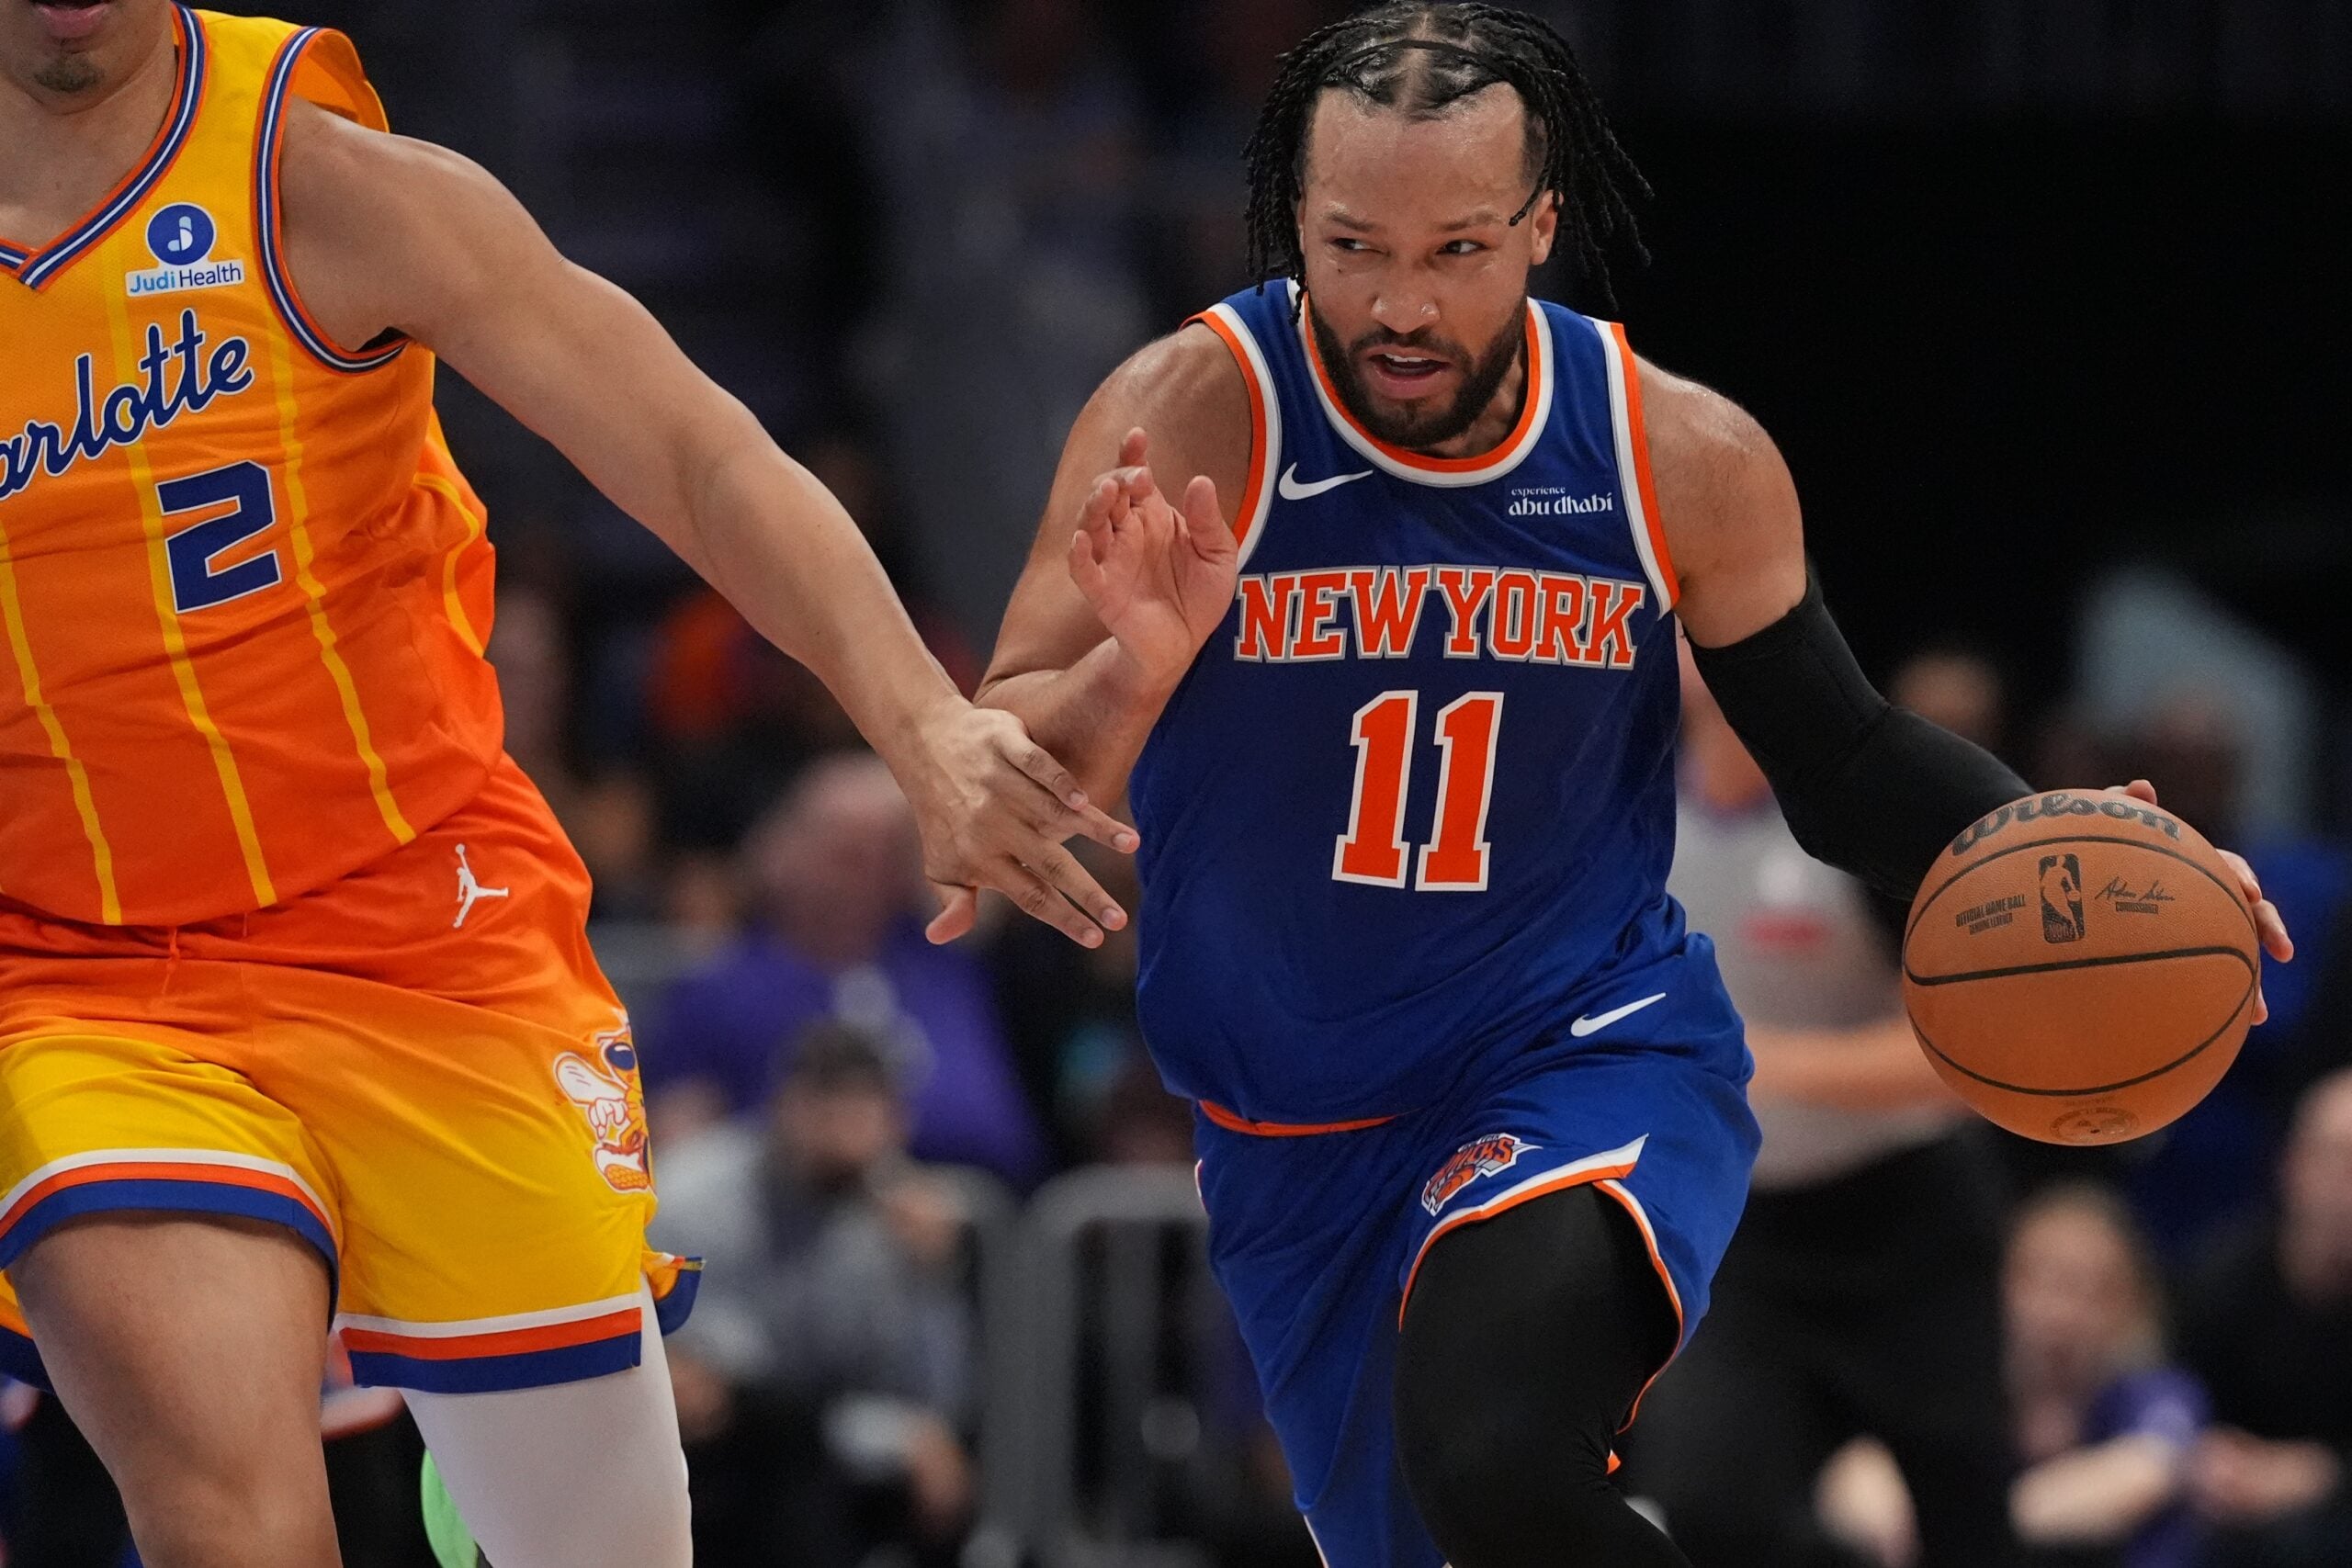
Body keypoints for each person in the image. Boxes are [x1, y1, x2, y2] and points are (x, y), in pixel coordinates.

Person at [975, 6, 2291, 1564]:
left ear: (1541, 224)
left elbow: (1843, 756)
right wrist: (1138, 662)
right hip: (1291, 1128)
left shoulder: (1678, 453)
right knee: (1458, 1530)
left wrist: (2060, 842)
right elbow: (1001, 782)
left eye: (1458, 247)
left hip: (1576, 1051)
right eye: (1353, 246)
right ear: (1293, 223)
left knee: (1500, 1451)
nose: (1401, 303)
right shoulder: (1191, 415)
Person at [0, 4, 1137, 1565]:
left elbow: (692, 450)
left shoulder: (316, 180)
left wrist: (921, 722)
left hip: (420, 931)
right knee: (224, 1514)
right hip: (84, 974)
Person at [1628, 649, 2014, 1568]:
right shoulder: (1625, 823)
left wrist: (1761, 1057)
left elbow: (1971, 1052)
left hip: (1906, 1215)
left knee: (1966, 1519)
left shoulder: (1861, 819)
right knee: (1712, 1506)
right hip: (1738, 1227)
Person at [650, 1021, 978, 1568]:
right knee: (772, 1439)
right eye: (829, 1105)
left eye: (866, 1109)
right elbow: (733, 1380)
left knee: (947, 1479)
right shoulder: (697, 1190)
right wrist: (897, 1436)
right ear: (785, 1106)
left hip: (826, 1446)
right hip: (712, 1445)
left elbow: (935, 1398)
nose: (847, 1128)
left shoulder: (900, 1213)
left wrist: (935, 1278)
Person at [649, 751, 1046, 1184]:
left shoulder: (946, 961)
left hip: (975, 1219)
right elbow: (679, 1144)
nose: (868, 875)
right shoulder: (725, 990)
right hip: (797, 1220)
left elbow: (999, 1132)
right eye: (848, 853)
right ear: (781, 854)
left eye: (889, 854)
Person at [2177, 1068, 2352, 1567]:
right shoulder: (2219, 1277)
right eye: (2340, 1159)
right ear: (2293, 1164)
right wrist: (2202, 1455)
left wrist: (2321, 1472)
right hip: (2219, 1505)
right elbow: (2169, 1396)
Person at [2006, 1185, 2208, 1568]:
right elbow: (1868, 1471)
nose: (2059, 1314)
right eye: (2041, 1281)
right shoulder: (1964, 1395)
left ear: (2130, 1306)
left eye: (2088, 1290)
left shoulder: (2159, 1393)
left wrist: (1960, 1517)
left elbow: (2143, 1473)